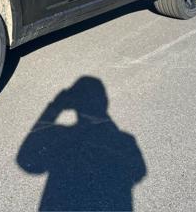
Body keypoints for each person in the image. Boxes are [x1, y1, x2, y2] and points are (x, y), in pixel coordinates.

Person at [17, 76, 146, 211]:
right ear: (104, 102)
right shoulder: (125, 140)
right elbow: (138, 172)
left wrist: (55, 107)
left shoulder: (59, 135)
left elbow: (27, 161)